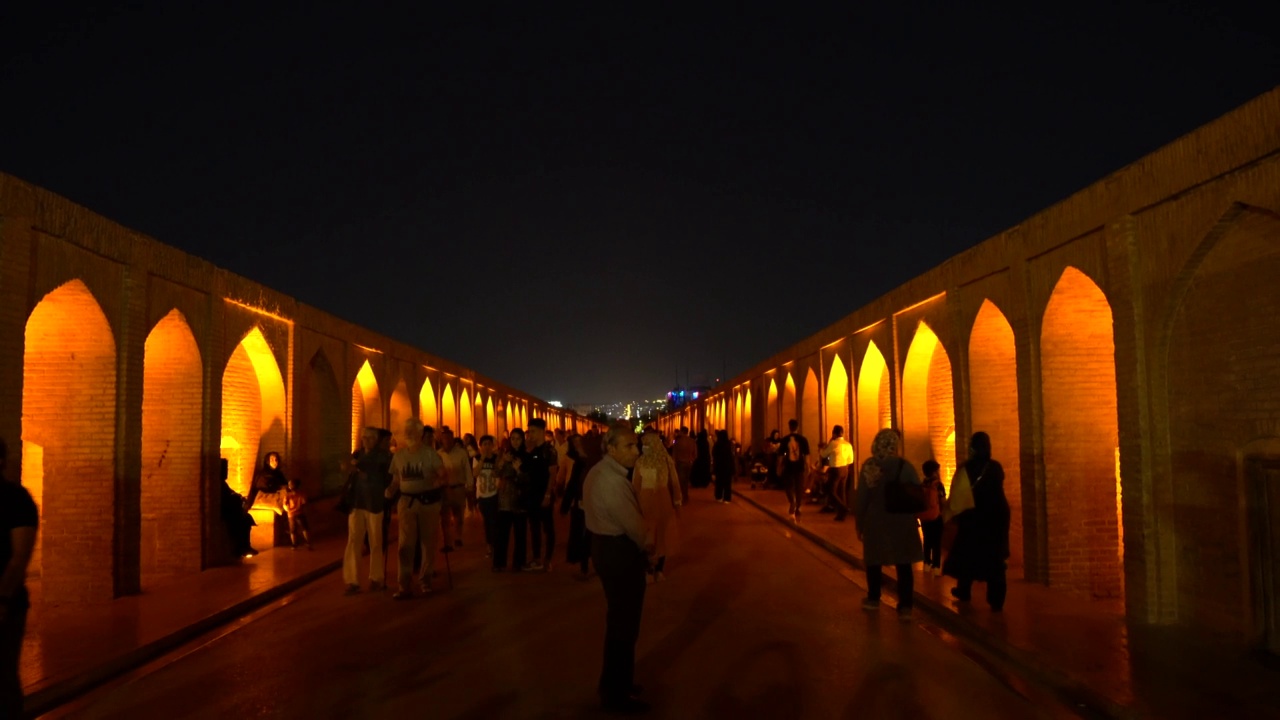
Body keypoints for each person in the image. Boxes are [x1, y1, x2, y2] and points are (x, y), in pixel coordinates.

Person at [584, 423, 651, 714]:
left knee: (619, 624)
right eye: (629, 446)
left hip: (605, 548)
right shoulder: (611, 481)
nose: (636, 451)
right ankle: (616, 696)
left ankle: (618, 683)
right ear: (611, 449)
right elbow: (635, 528)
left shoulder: (601, 472)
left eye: (636, 445)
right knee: (624, 627)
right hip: (618, 552)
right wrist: (650, 548)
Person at [855, 428, 923, 619]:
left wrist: (859, 523)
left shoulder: (870, 466)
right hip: (902, 521)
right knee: (904, 564)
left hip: (876, 521)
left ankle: (874, 599)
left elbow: (861, 499)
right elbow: (916, 492)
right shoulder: (905, 466)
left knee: (874, 561)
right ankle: (906, 607)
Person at [942, 432, 1010, 611]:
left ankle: (964, 590)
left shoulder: (966, 469)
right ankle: (996, 600)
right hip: (997, 515)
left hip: (974, 516)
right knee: (995, 558)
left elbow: (957, 497)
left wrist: (948, 513)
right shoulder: (996, 467)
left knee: (968, 553)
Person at [386, 419, 447, 599]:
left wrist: (437, 482)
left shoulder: (430, 454)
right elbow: (397, 479)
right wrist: (389, 491)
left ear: (420, 434)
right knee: (405, 544)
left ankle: (425, 580)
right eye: (407, 431)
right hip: (407, 503)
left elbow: (444, 476)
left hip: (428, 503)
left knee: (428, 543)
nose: (409, 434)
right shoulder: (399, 456)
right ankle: (404, 584)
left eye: (413, 431)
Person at [1, 438, 38, 719]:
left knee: (2, 675)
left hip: (6, 603)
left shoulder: (15, 500)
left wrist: (3, 598)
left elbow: (18, 558)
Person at [343, 427, 391, 594]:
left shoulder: (384, 456)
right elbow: (348, 469)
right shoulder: (358, 454)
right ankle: (352, 580)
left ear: (376, 439)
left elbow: (387, 478)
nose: (366, 440)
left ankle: (376, 577)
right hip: (357, 502)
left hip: (375, 503)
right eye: (364, 437)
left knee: (375, 541)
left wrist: (365, 474)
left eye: (370, 438)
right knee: (353, 540)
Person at [633, 430, 681, 582]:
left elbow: (635, 484)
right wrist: (677, 501)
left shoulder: (641, 461)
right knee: (662, 534)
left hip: (645, 501)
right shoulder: (666, 459)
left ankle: (648, 570)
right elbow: (674, 482)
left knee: (648, 535)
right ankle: (659, 570)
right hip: (663, 500)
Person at [521, 419, 558, 572]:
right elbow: (526, 469)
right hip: (532, 494)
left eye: (534, 431)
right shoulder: (531, 450)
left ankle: (547, 558)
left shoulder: (549, 451)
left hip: (544, 493)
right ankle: (536, 558)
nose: (531, 435)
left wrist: (548, 494)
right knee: (534, 526)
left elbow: (552, 474)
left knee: (548, 527)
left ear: (542, 431)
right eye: (529, 432)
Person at [492, 431, 527, 572]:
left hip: (520, 497)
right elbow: (496, 472)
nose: (515, 442)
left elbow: (527, 478)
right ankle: (499, 563)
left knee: (520, 533)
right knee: (502, 533)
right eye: (513, 439)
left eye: (518, 439)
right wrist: (503, 462)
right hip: (505, 496)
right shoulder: (504, 454)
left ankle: (518, 562)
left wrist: (519, 471)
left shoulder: (526, 455)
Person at [560, 433, 592, 579]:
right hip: (581, 504)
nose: (579, 446)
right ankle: (584, 567)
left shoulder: (593, 460)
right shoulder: (580, 462)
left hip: (595, 504)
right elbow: (573, 484)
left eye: (580, 443)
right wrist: (565, 505)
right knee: (583, 536)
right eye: (576, 444)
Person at [438, 426, 473, 550]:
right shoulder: (439, 454)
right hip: (445, 489)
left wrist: (470, 485)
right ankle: (447, 542)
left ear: (452, 439)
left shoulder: (461, 453)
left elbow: (467, 469)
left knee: (458, 515)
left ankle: (458, 537)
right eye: (444, 438)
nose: (446, 440)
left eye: (449, 438)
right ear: (441, 440)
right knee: (445, 517)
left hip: (458, 487)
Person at [777, 419, 811, 522]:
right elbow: (807, 455)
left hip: (788, 465)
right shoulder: (803, 439)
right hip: (800, 465)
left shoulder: (785, 439)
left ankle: (792, 501)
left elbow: (780, 456)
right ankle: (798, 507)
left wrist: (778, 467)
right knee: (799, 487)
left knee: (788, 486)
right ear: (798, 427)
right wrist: (808, 466)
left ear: (789, 427)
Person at [820, 425, 855, 521]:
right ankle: (841, 515)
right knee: (841, 491)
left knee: (830, 491)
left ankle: (844, 508)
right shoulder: (848, 444)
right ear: (842, 433)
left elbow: (823, 454)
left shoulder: (834, 443)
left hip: (836, 469)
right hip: (845, 469)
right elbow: (851, 460)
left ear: (834, 433)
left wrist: (823, 447)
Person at [474, 435, 500, 558]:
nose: (487, 446)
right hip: (482, 495)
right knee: (486, 521)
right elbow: (475, 473)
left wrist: (496, 463)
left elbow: (498, 473)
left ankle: (494, 544)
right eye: (484, 444)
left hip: (494, 493)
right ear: (481, 446)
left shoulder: (496, 458)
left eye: (489, 444)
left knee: (494, 520)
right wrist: (482, 459)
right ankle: (489, 545)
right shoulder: (477, 458)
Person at [918, 460, 946, 575]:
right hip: (936, 516)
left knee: (927, 540)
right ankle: (936, 566)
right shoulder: (938, 484)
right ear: (934, 471)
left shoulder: (923, 483)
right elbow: (943, 500)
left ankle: (926, 564)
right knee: (937, 542)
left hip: (924, 517)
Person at [282, 478, 312, 550]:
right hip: (300, 513)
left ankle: (294, 545)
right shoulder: (302, 494)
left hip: (291, 515)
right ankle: (308, 543)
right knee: (304, 528)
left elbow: (285, 505)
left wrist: (288, 510)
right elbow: (304, 503)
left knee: (292, 530)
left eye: (290, 484)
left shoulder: (287, 495)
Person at [671, 427, 697, 503]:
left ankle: (682, 497)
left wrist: (674, 462)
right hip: (689, 463)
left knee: (681, 481)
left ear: (682, 432)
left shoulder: (678, 441)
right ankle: (685, 496)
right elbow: (695, 453)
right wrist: (691, 460)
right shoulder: (692, 441)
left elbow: (674, 453)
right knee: (686, 481)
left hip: (680, 463)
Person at [712, 429, 736, 503]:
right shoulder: (729, 444)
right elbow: (732, 454)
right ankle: (727, 498)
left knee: (719, 482)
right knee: (727, 483)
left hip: (719, 466)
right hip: (728, 466)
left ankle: (719, 496)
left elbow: (714, 454)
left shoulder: (717, 444)